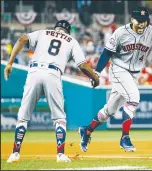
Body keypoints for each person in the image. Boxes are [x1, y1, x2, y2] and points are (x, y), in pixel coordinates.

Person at [78, 7, 152, 152]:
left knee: (110, 110)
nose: (141, 24)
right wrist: (97, 72)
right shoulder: (121, 32)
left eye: (144, 21)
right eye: (139, 21)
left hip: (134, 74)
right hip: (118, 69)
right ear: (132, 20)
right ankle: (124, 138)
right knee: (134, 98)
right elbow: (107, 53)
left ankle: (87, 131)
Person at [4, 20, 99, 163]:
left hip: (34, 71)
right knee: (59, 118)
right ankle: (60, 155)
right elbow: (82, 65)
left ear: (56, 28)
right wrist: (95, 77)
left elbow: (22, 39)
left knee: (23, 117)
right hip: (53, 74)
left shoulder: (42, 32)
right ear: (68, 31)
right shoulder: (71, 40)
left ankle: (15, 154)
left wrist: (10, 62)